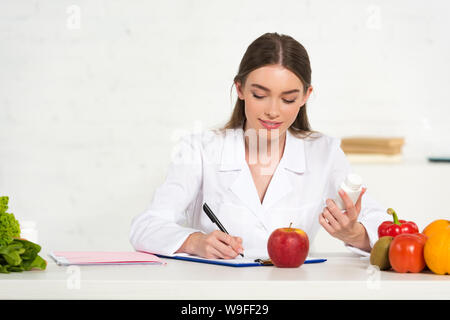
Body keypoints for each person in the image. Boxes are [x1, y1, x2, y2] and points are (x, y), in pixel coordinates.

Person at [129, 32, 391, 260]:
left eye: (288, 99)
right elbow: (146, 227)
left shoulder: (324, 152)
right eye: (259, 95)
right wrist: (194, 242)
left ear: (305, 97)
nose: (273, 111)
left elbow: (384, 225)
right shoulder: (200, 149)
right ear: (240, 89)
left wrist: (356, 234)